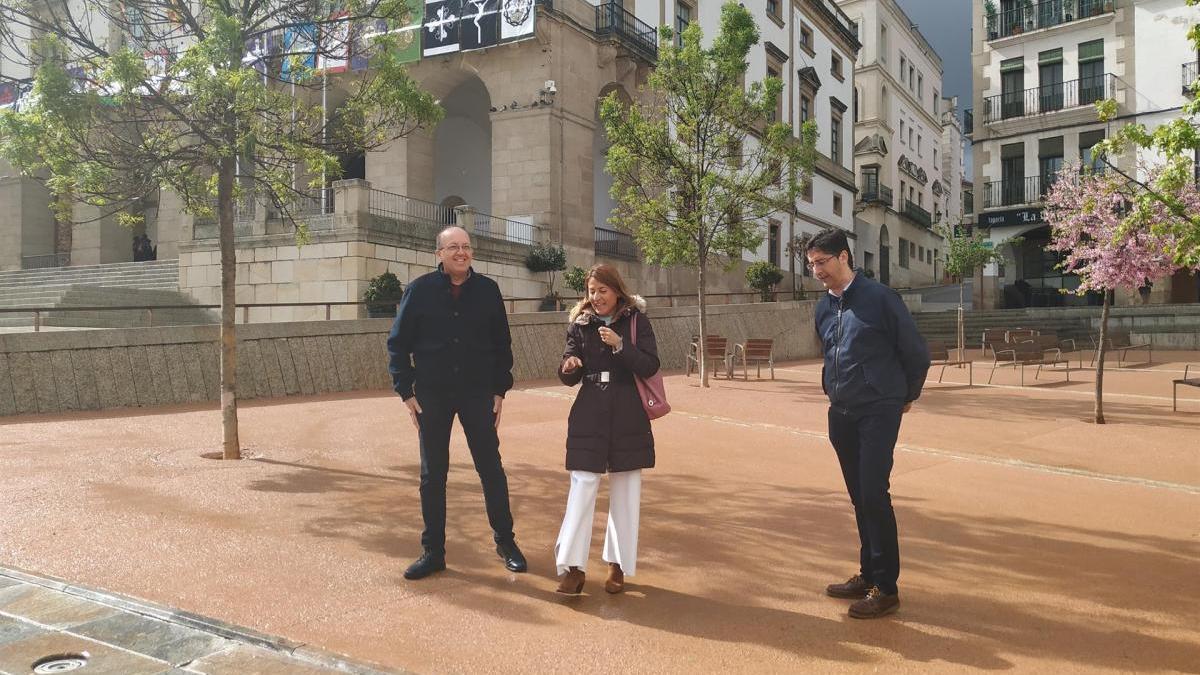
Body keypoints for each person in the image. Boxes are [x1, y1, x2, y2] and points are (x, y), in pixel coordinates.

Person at [386, 226, 527, 580]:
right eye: (453, 247)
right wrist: (406, 393)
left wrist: (499, 390)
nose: (461, 252)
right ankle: (433, 551)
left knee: (490, 469)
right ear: (439, 254)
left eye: (466, 247)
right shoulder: (418, 291)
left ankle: (506, 542)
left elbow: (502, 344)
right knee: (433, 475)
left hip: (478, 393)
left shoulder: (488, 291)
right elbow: (398, 344)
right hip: (432, 395)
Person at [806, 229, 930, 619]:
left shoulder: (880, 298)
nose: (817, 272)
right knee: (859, 496)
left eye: (822, 262)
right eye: (811, 265)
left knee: (874, 493)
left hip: (878, 409)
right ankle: (867, 574)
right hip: (841, 412)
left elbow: (915, 353)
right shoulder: (823, 307)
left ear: (844, 257)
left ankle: (886, 587)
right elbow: (829, 352)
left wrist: (904, 396)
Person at [554, 264, 660, 595]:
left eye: (603, 290)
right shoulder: (580, 324)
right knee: (582, 486)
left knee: (626, 489)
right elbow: (568, 369)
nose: (596, 297)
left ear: (616, 291)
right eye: (591, 291)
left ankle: (618, 565)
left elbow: (650, 364)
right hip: (588, 413)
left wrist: (620, 345)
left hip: (628, 412)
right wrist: (569, 366)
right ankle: (573, 567)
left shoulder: (636, 321)